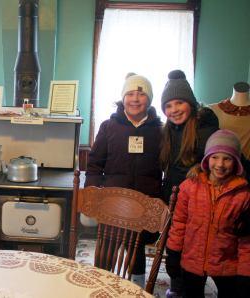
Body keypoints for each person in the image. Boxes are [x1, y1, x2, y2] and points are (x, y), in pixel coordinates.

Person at [85, 73, 163, 287]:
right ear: (122, 98)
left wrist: (160, 199)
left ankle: (137, 286)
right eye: (130, 94)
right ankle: (100, 283)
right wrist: (92, 194)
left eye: (141, 94)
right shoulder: (109, 127)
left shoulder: (159, 130)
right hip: (113, 201)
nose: (135, 99)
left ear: (150, 99)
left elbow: (164, 167)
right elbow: (94, 164)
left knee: (136, 247)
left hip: (144, 202)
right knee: (107, 246)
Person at [166, 129, 250, 298]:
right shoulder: (189, 186)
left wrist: (245, 272)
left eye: (227, 158)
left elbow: (246, 240)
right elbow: (179, 223)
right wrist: (173, 252)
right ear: (206, 159)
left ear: (236, 162)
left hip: (226, 262)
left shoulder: (243, 194)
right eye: (214, 157)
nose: (220, 164)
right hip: (192, 259)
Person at [159, 70, 219, 297]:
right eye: (169, 105)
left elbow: (217, 163)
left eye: (179, 103)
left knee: (193, 250)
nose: (174, 110)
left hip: (198, 202)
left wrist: (200, 169)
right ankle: (177, 287)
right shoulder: (169, 131)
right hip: (174, 199)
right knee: (173, 246)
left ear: (190, 103)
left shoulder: (205, 129)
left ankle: (191, 289)